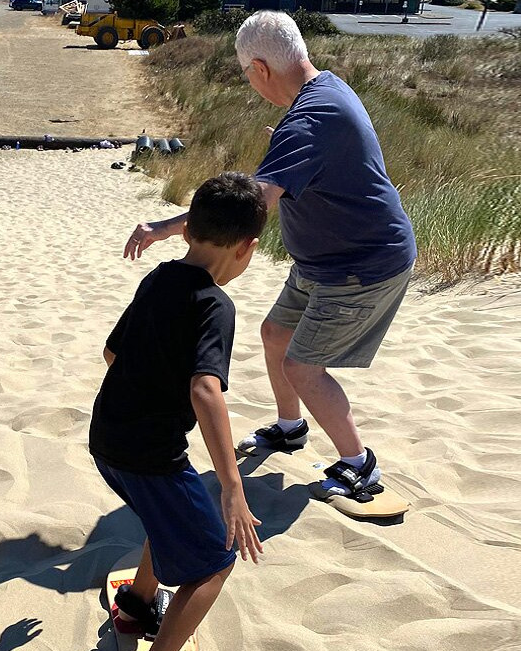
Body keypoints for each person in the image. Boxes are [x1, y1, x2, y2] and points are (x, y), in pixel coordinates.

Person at [123, 10, 416, 503]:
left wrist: (165, 228)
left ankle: (358, 465)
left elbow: (248, 207)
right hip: (322, 262)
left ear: (259, 68)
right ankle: (290, 427)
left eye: (246, 75)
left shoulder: (309, 121)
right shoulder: (325, 91)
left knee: (303, 366)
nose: (249, 83)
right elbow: (321, 158)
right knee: (276, 334)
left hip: (361, 266)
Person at [92, 173, 267, 651]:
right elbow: (204, 389)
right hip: (148, 451)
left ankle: (141, 602)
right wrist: (234, 489)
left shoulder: (158, 278)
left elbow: (111, 354)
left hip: (106, 439)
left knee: (161, 508)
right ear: (247, 249)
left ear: (187, 229)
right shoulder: (217, 307)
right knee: (215, 561)